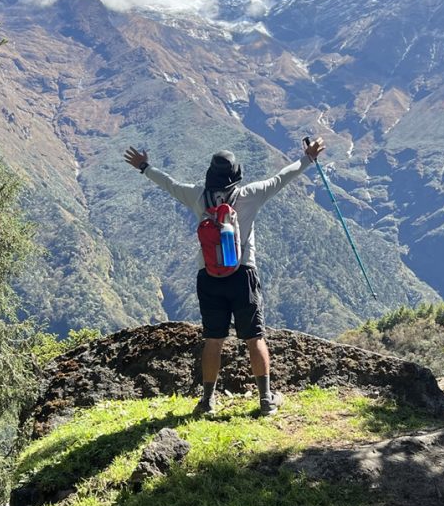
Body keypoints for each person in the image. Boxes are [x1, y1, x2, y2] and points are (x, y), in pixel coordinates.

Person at [123, 137, 326, 415]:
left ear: (211, 173)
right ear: (236, 174)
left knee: (213, 340)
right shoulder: (251, 194)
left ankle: (207, 401)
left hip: (209, 276)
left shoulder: (197, 196)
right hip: (243, 274)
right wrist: (308, 158)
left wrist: (144, 167)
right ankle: (266, 400)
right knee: (254, 337)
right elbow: (282, 178)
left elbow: (169, 184)